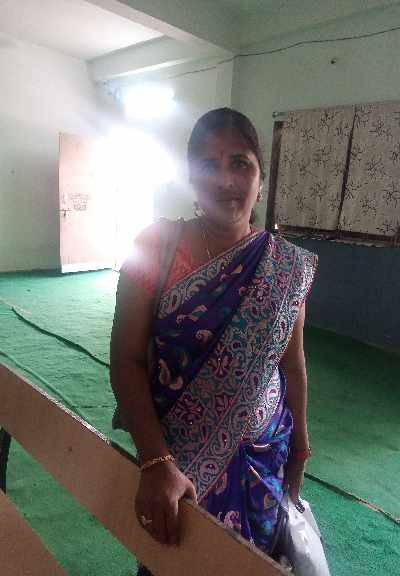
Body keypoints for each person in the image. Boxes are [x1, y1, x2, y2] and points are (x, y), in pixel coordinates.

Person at [110, 108, 317, 573]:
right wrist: (156, 462)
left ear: (260, 179)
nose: (225, 180)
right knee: (176, 560)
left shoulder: (286, 266)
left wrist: (301, 446)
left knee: (256, 561)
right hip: (178, 460)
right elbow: (125, 359)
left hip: (264, 457)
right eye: (209, 164)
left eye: (240, 163)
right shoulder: (156, 246)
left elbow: (293, 364)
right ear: (191, 178)